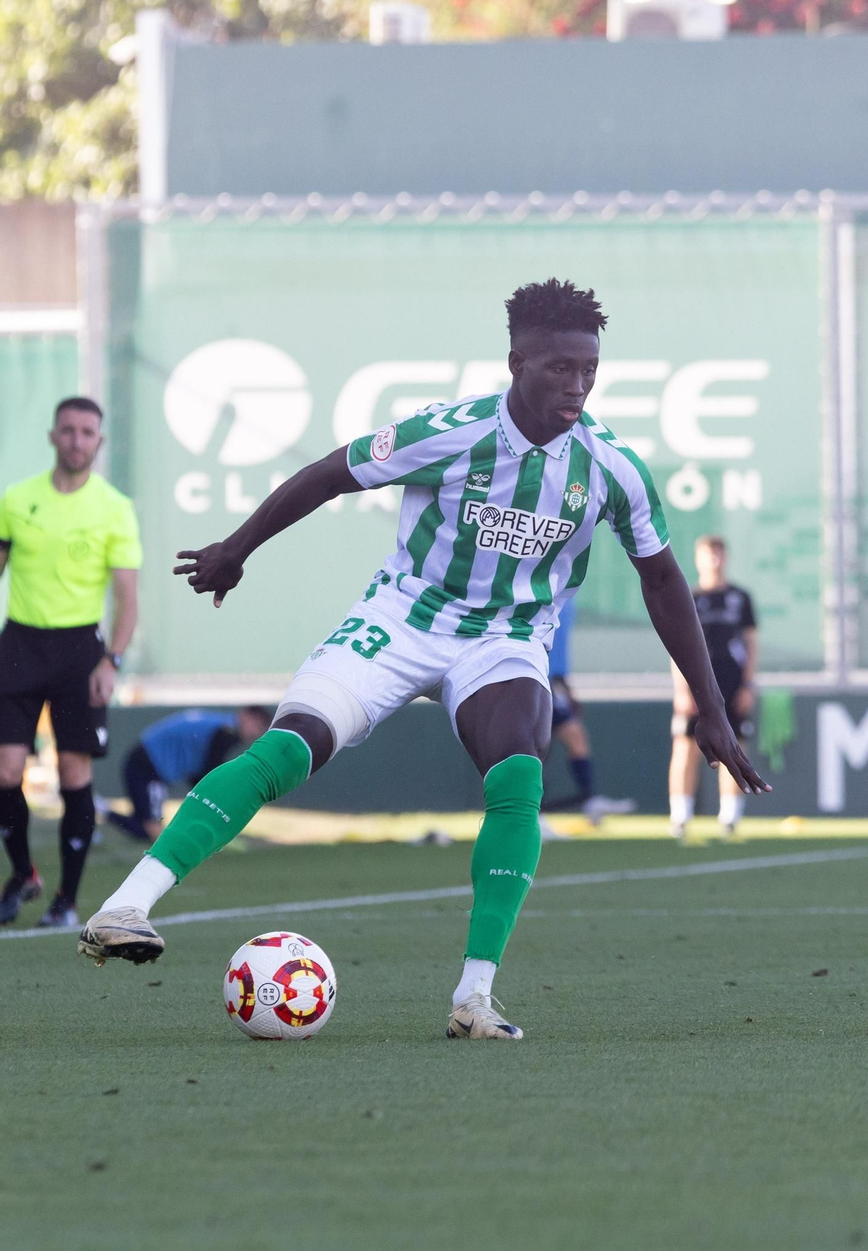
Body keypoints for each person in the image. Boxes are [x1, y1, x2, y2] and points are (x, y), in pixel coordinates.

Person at [79, 279, 768, 1040]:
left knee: (519, 775)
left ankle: (475, 997)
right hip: (402, 617)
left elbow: (664, 580)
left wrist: (709, 707)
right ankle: (126, 907)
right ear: (516, 362)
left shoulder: (611, 468)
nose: (576, 386)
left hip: (505, 638)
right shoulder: (453, 431)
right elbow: (329, 474)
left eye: (589, 370)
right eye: (558, 369)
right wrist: (236, 551)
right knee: (287, 750)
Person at [0, 396, 141, 929]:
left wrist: (113, 660)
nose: (77, 440)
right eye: (68, 430)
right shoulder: (17, 498)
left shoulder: (114, 507)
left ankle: (67, 901)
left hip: (80, 652)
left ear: (99, 441)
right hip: (18, 645)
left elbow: (128, 598)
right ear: (52, 436)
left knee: (72, 770)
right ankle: (22, 875)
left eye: (87, 432)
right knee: (5, 770)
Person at [668, 535, 758, 840]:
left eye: (719, 554)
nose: (714, 560)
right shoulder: (688, 598)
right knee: (685, 747)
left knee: (733, 747)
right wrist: (681, 689)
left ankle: (730, 816)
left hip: (731, 682)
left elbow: (751, 643)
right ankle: (680, 814)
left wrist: (747, 684)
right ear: (698, 559)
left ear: (726, 558)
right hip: (696, 683)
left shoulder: (740, 598)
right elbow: (676, 646)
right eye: (708, 554)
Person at [107, 706, 273, 843]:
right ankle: (100, 809)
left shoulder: (221, 725)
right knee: (152, 830)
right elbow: (210, 775)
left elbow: (201, 774)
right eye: (256, 725)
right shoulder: (225, 731)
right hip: (147, 766)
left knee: (144, 827)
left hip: (147, 763)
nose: (255, 733)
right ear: (244, 715)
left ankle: (101, 810)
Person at [538, 609, 636, 825]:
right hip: (530, 674)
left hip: (550, 681)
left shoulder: (566, 596)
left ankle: (589, 799)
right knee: (535, 746)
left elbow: (558, 648)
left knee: (575, 735)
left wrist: (566, 687)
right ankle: (533, 814)